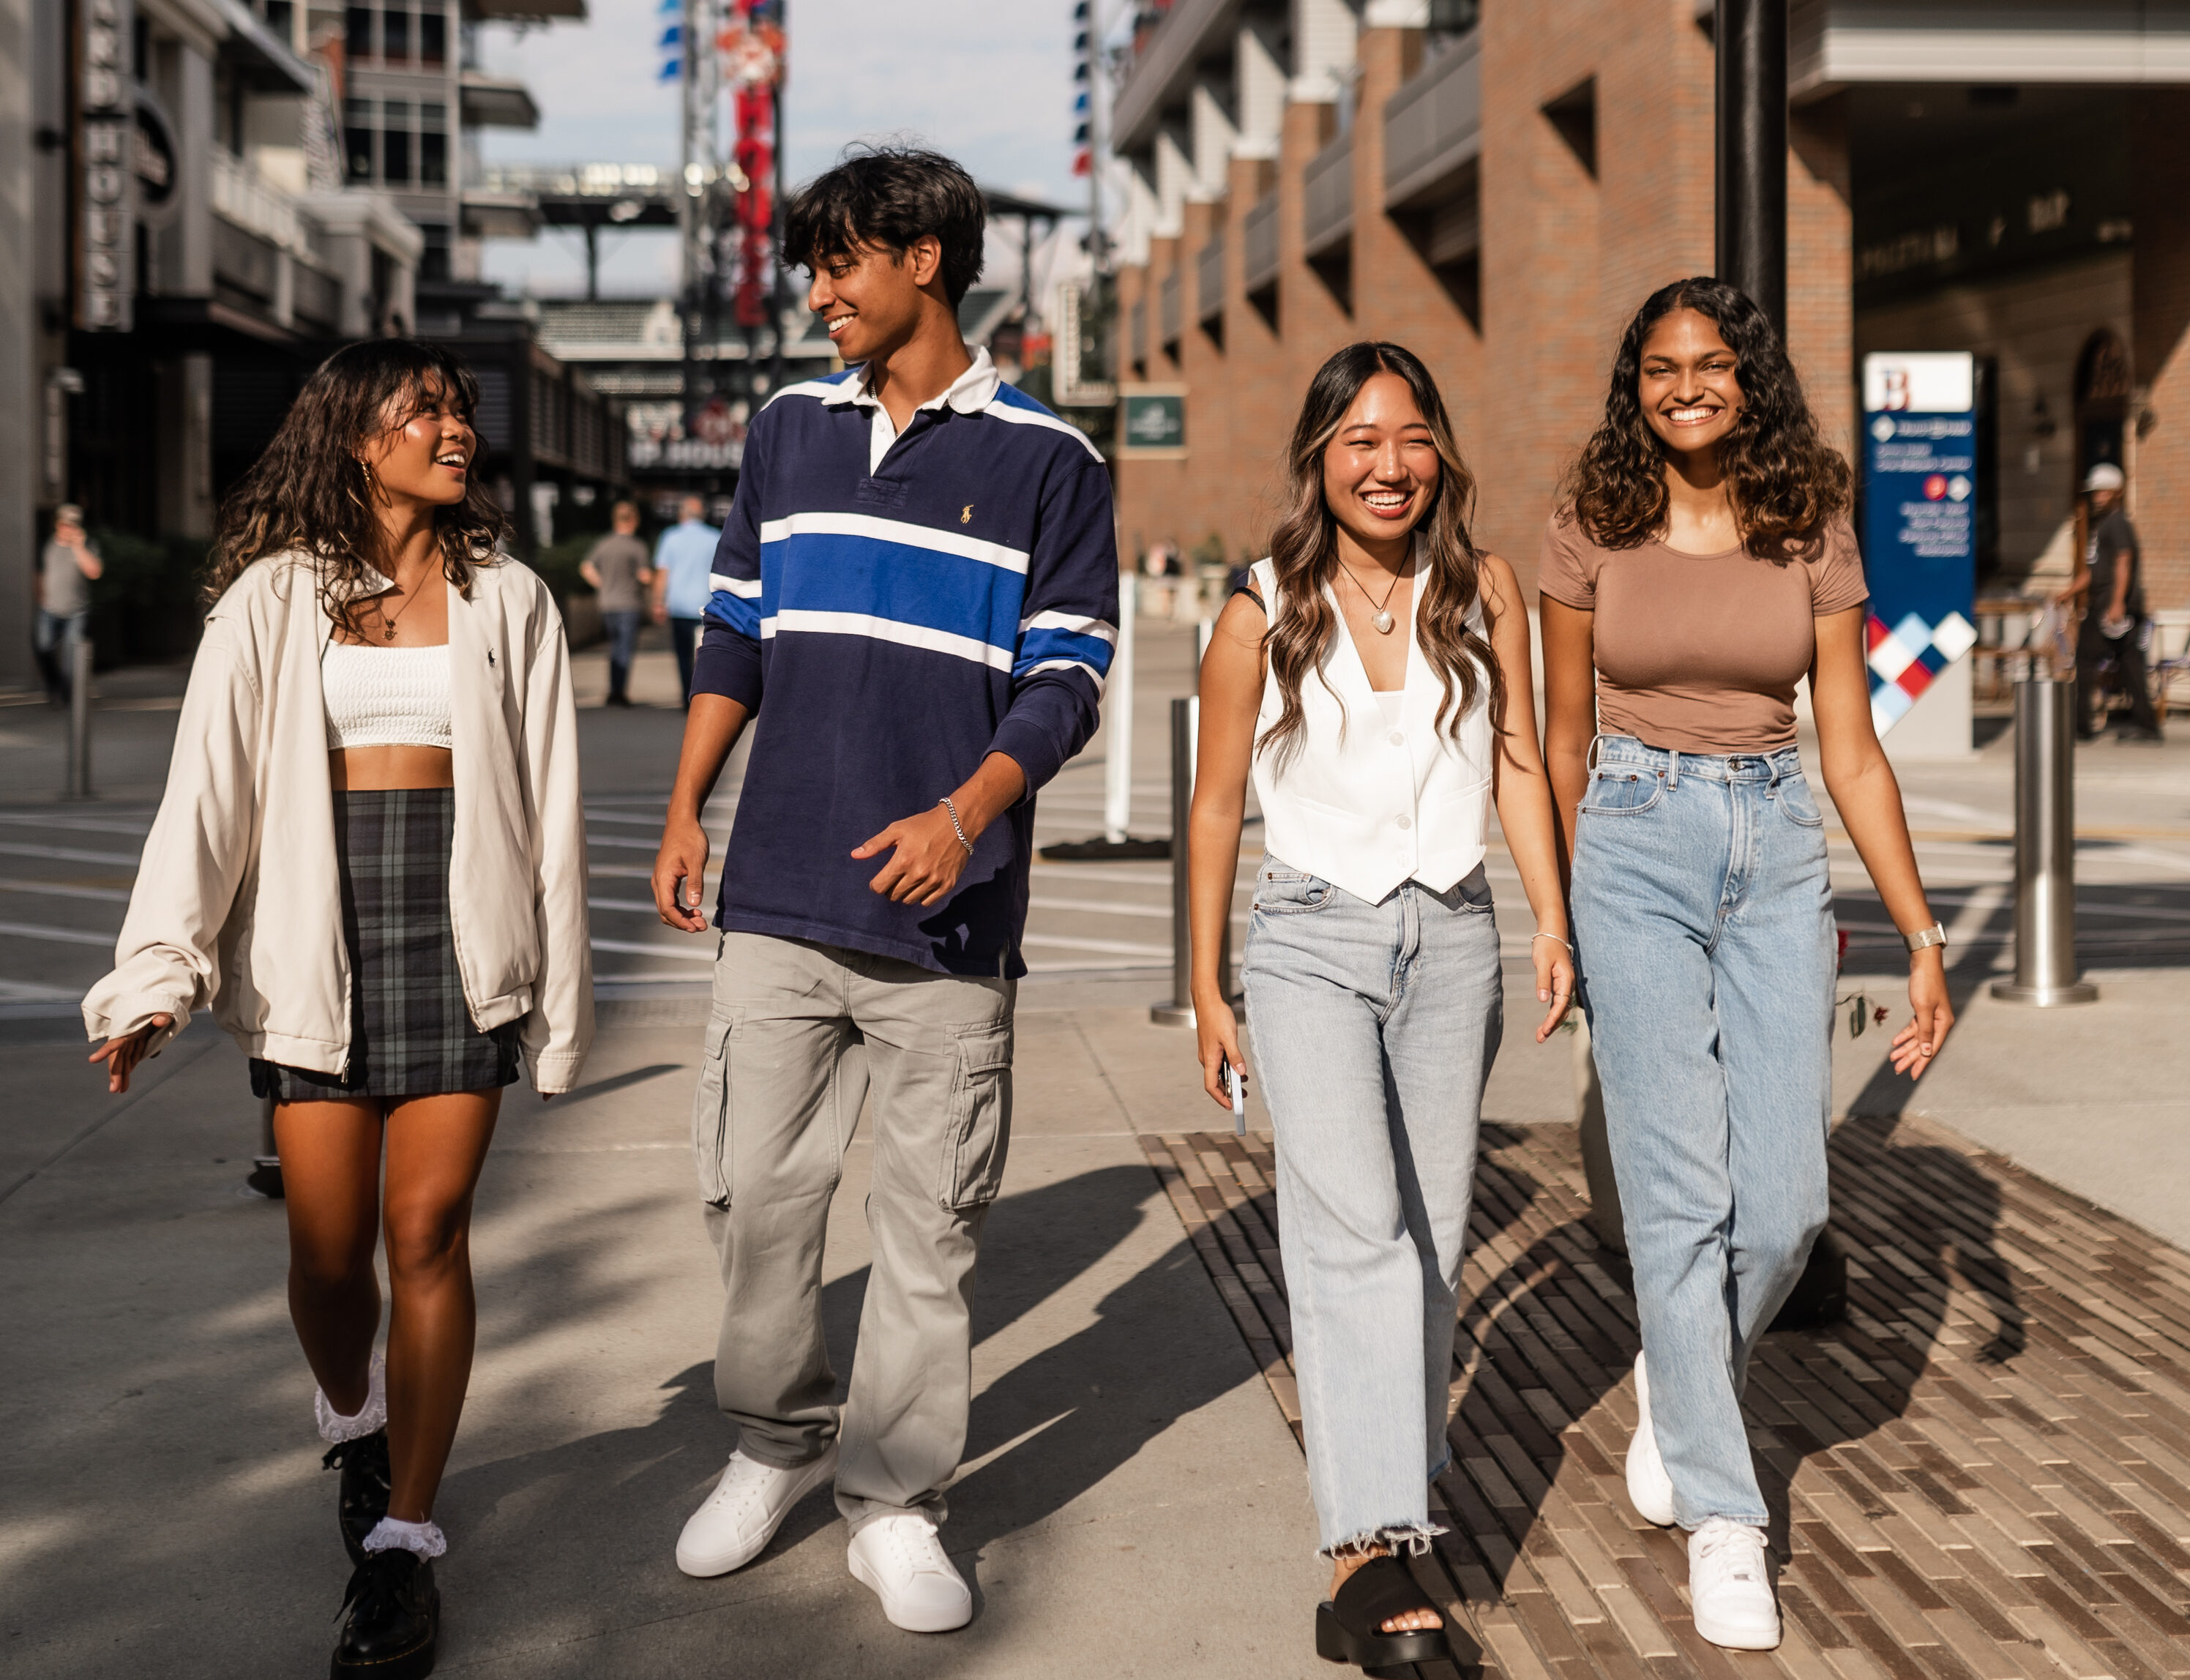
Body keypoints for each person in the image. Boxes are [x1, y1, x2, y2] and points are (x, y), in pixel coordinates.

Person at [649, 146, 1118, 1634]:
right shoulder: (787, 433)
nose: (818, 291)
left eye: (840, 261)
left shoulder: (1051, 459)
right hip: (778, 891)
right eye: (811, 264)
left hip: (948, 914)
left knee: (927, 1227)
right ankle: (774, 1441)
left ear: (924, 258)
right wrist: (681, 810)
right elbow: (733, 633)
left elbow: (1068, 677)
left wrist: (966, 809)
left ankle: (893, 1496)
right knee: (755, 1202)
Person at [82, 339, 593, 1680]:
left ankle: (403, 1543)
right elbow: (206, 799)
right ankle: (355, 1420)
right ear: (354, 438)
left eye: (458, 409)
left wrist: (564, 1003)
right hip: (319, 934)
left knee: (426, 1232)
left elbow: (552, 816)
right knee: (325, 1255)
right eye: (421, 408)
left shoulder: (510, 598)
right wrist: (156, 979)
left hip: (459, 934)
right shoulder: (269, 600)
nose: (453, 429)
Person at [1539, 277, 1954, 1652]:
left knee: (1781, 1203)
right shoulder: (1591, 520)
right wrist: (1551, 909)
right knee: (1677, 1190)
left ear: (1748, 377)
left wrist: (1922, 936)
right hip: (1634, 840)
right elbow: (1555, 741)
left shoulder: (1808, 524)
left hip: (1775, 839)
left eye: (1710, 365)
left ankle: (1681, 1368)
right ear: (1634, 385)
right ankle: (1728, 1516)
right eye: (1659, 368)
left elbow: (1849, 746)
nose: (1684, 388)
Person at [1191, 343, 1575, 1672]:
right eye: (1357, 441)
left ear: (1440, 453)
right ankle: (1366, 1549)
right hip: (1308, 938)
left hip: (1454, 937)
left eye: (1408, 439)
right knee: (1354, 1232)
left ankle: (1393, 1507)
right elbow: (1213, 808)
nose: (1386, 465)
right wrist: (1204, 986)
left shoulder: (1484, 590)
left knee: (1430, 1230)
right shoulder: (1258, 609)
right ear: (1317, 458)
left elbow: (1518, 760)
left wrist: (1549, 916)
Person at [2061, 462, 2161, 741]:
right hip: (2111, 604)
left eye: (2103, 492)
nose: (2097, 497)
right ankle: (2147, 726)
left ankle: (2081, 728)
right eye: (2095, 492)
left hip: (2113, 606)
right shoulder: (2102, 526)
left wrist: (2117, 603)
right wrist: (2068, 593)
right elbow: (2094, 571)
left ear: (2117, 492)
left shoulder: (2117, 523)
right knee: (2130, 665)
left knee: (2084, 660)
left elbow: (2124, 560)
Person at [581, 499, 654, 706]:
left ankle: (614, 689)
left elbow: (586, 567)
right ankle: (618, 692)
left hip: (607, 603)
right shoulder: (636, 546)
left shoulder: (604, 544)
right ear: (633, 520)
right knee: (625, 648)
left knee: (614, 647)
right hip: (628, 603)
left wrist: (601, 584)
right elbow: (645, 576)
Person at [651, 493, 720, 705]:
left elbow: (663, 573)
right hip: (708, 606)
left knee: (683, 656)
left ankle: (686, 697)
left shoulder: (671, 536)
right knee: (706, 654)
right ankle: (704, 696)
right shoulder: (716, 536)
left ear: (682, 514)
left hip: (680, 606)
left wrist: (657, 602)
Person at [36, 503, 102, 703]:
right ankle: (53, 686)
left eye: (74, 524)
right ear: (58, 524)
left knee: (71, 657)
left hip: (76, 611)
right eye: (66, 523)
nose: (69, 528)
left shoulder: (87, 545)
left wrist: (78, 547)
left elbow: (95, 572)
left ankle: (65, 695)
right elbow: (39, 573)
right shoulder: (48, 545)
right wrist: (40, 597)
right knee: (43, 647)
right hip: (49, 609)